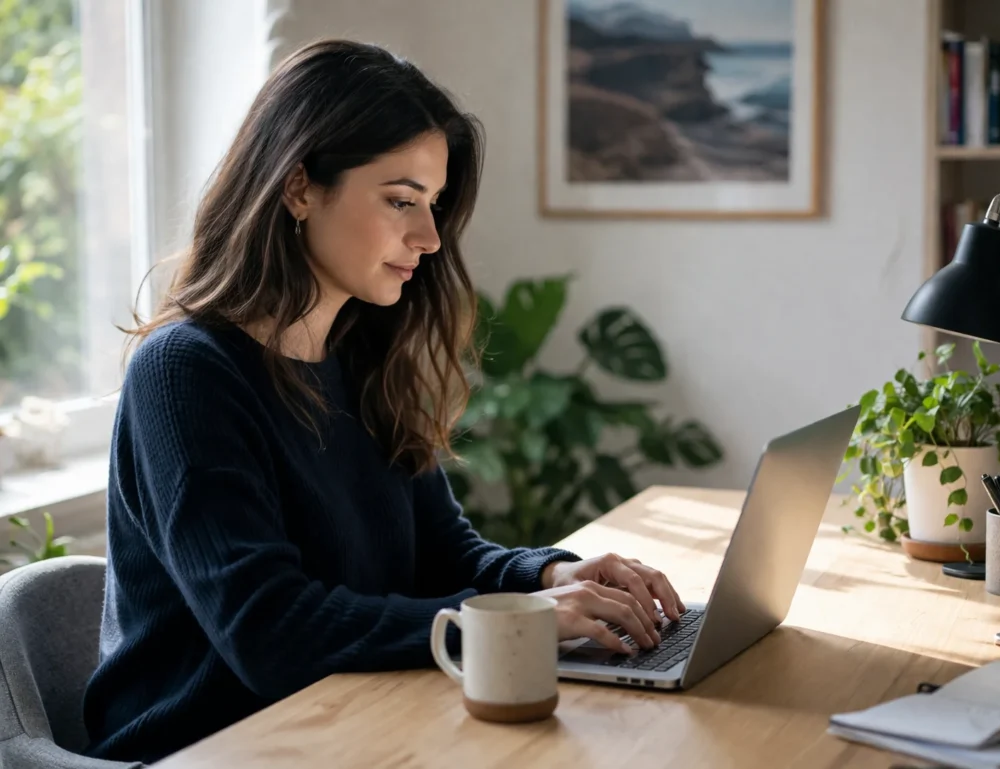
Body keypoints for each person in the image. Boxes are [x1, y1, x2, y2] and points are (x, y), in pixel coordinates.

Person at [82, 39, 685, 764]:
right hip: (211, 745)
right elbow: (270, 632)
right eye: (401, 200)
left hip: (351, 722)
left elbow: (443, 554)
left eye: (431, 205)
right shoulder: (185, 375)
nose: (429, 237)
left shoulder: (364, 356)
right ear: (299, 186)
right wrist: (516, 619)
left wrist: (552, 577)